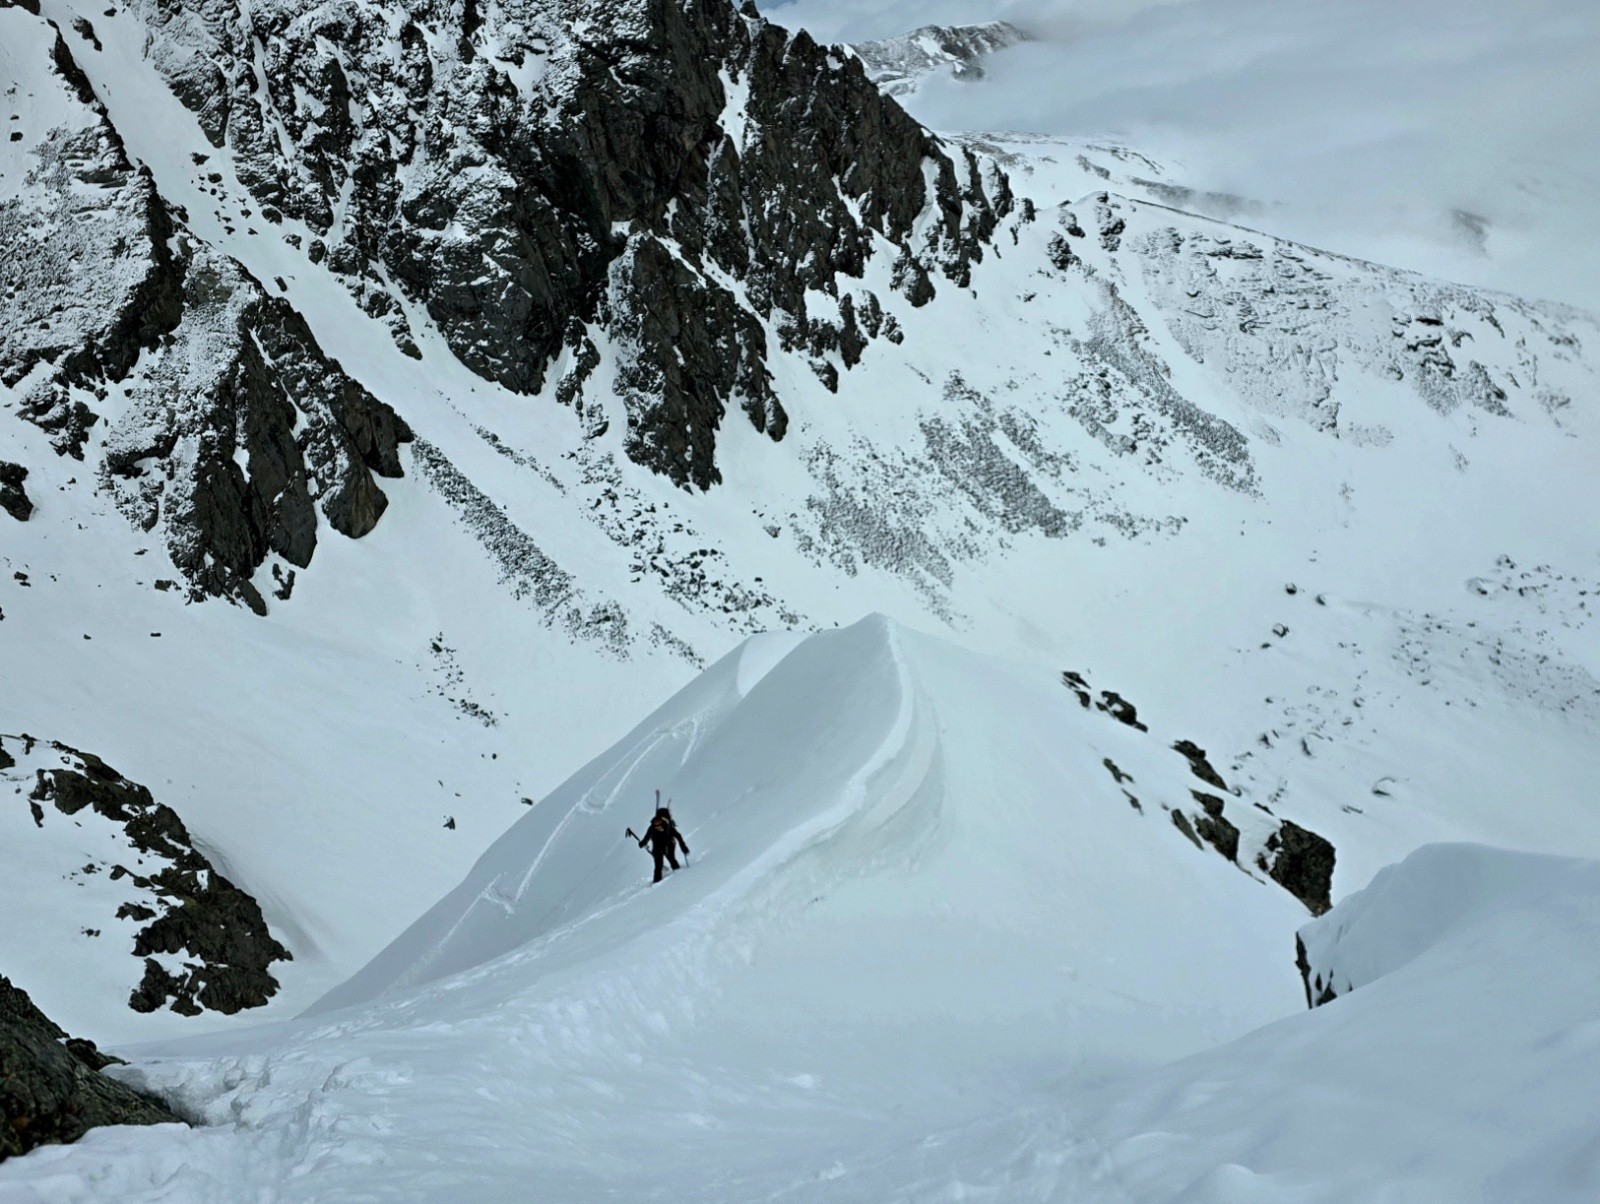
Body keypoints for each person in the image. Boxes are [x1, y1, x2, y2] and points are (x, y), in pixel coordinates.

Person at [637, 807, 689, 883]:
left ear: (661, 821)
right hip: (657, 847)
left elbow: (678, 836)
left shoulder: (668, 827)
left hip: (669, 845)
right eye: (655, 823)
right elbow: (647, 837)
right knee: (658, 865)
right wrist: (643, 843)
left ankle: (679, 875)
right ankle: (656, 882)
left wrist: (683, 847)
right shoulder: (651, 828)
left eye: (658, 822)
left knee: (672, 859)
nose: (657, 824)